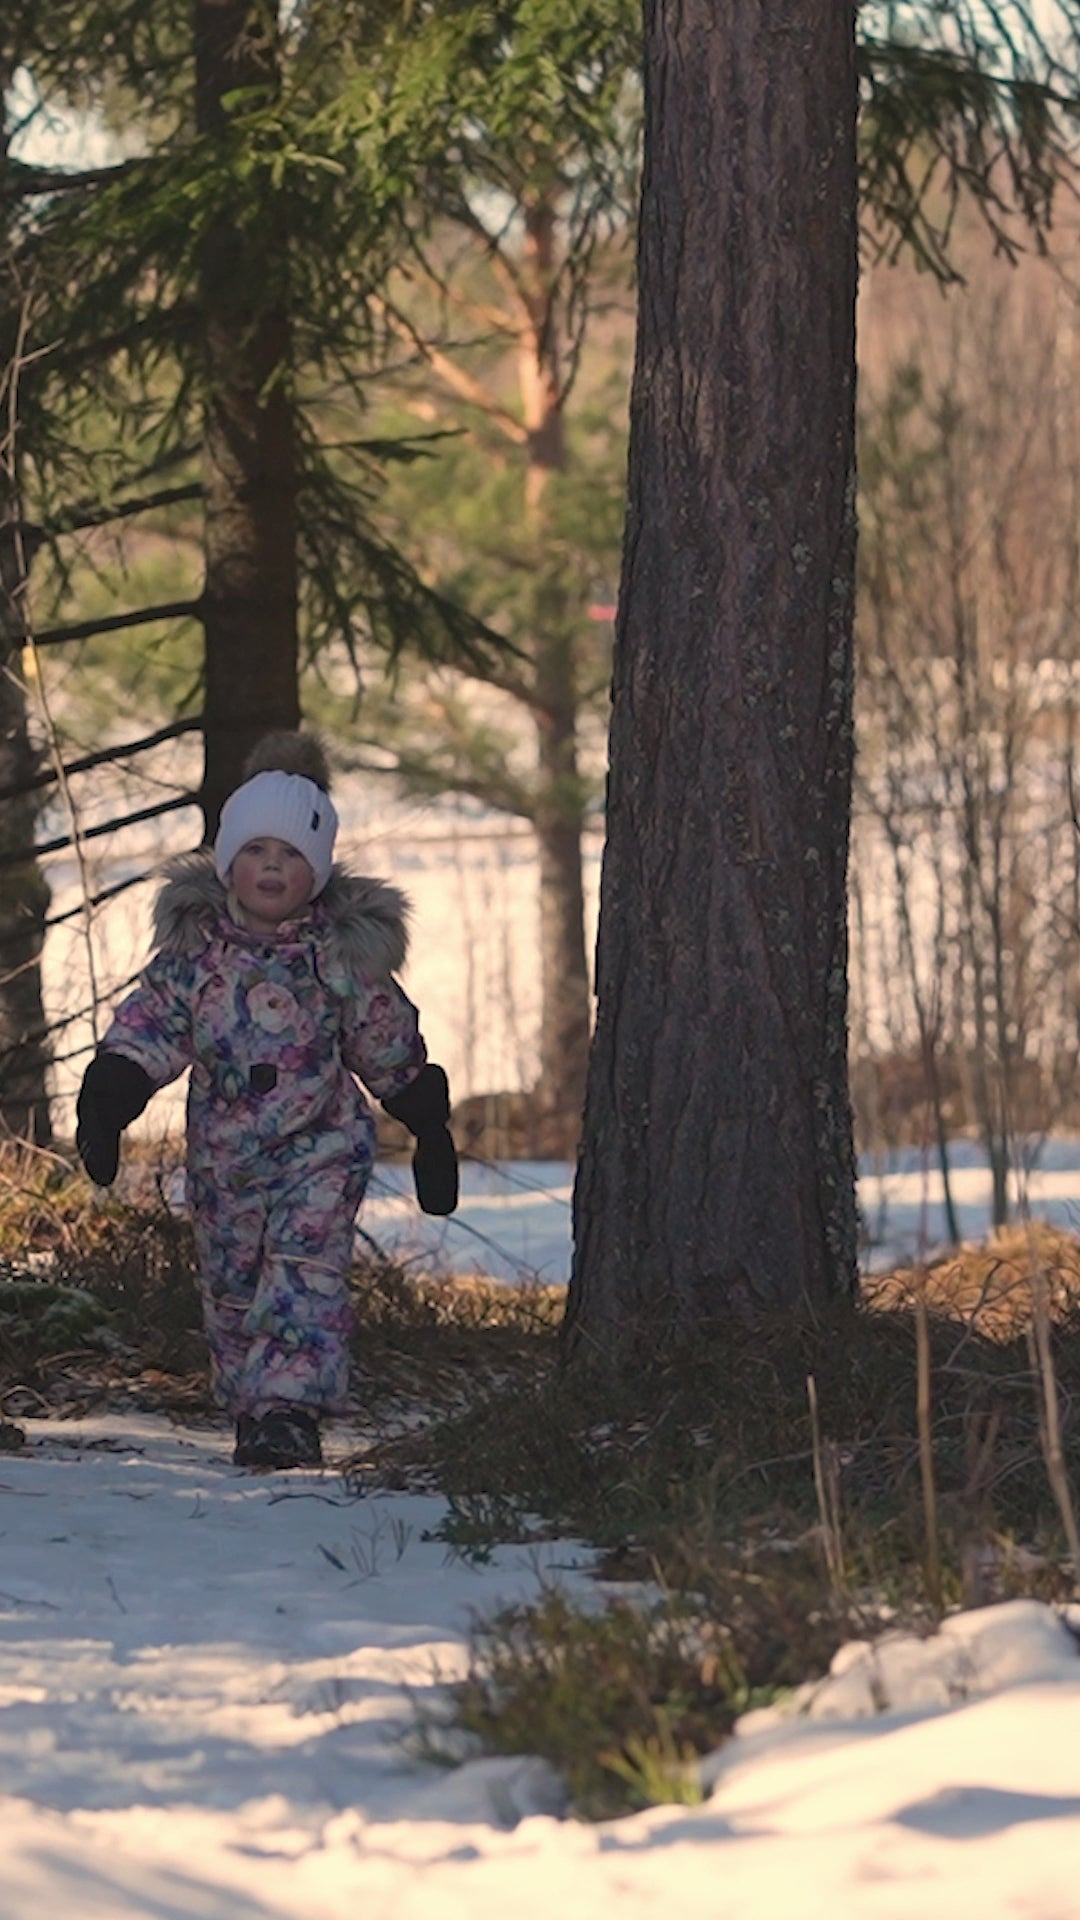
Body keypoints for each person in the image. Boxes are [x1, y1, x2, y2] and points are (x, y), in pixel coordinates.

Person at [75, 731, 458, 1471]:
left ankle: (289, 1412)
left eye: (291, 855)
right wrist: (111, 1096)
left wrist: (422, 1116)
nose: (272, 867)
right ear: (227, 864)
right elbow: (151, 1026)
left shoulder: (336, 957)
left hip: (320, 1150)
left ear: (315, 871)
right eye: (256, 851)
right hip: (224, 1157)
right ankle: (252, 1407)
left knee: (302, 1273)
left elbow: (382, 1037)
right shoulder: (195, 956)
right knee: (233, 1283)